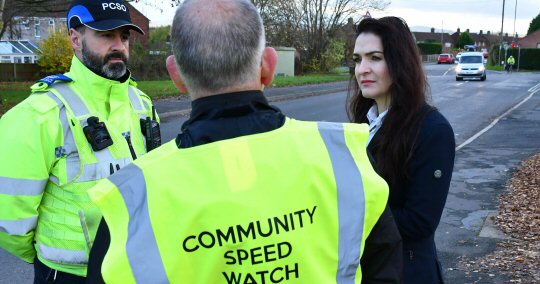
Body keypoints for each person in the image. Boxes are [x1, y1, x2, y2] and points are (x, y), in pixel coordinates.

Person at [85, 0, 403, 283]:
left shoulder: (131, 198)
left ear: (176, 75)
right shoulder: (344, 160)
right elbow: (385, 267)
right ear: (268, 66)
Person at [0, 0, 160, 282]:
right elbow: (10, 218)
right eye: (106, 35)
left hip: (133, 267)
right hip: (69, 274)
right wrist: (53, 259)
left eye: (124, 36)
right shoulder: (40, 114)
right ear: (75, 38)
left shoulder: (141, 104)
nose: (119, 46)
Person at [347, 17, 455, 283]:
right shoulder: (364, 124)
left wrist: (348, 212)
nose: (363, 69)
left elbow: (420, 222)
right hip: (367, 268)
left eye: (375, 58)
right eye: (358, 59)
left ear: (400, 62)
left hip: (406, 272)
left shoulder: (432, 129)